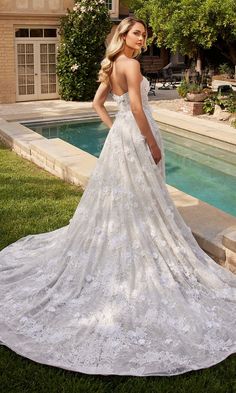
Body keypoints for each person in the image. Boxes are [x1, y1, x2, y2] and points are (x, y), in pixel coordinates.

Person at [0, 16, 235, 377]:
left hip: (123, 137)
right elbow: (139, 109)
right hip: (138, 134)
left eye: (145, 34)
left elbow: (98, 104)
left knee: (125, 196)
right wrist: (152, 143)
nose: (142, 39)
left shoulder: (110, 66)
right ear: (122, 34)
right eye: (137, 33)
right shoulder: (132, 64)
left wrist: (116, 129)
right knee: (141, 193)